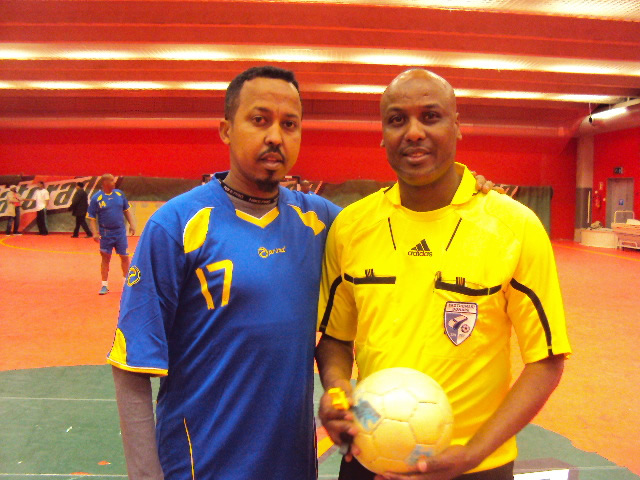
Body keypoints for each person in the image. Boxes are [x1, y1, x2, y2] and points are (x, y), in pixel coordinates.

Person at [107, 66, 496, 480]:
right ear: (226, 130)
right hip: (200, 465)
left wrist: (461, 190)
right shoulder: (177, 225)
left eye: (289, 124)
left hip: (292, 466)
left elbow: (402, 222)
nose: (275, 136)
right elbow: (132, 365)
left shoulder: (324, 222)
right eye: (260, 120)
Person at [315, 69, 571, 480]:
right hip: (369, 455)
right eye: (397, 120)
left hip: (475, 466)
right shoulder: (350, 227)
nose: (414, 132)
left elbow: (547, 360)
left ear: (457, 126)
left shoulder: (514, 227)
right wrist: (336, 386)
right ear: (382, 135)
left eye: (430, 116)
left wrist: (473, 453)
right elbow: (335, 338)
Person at [87, 174, 136, 295]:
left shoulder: (119, 194)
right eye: (111, 181)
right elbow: (91, 217)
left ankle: (126, 284)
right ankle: (104, 285)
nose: (114, 183)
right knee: (105, 258)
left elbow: (126, 211)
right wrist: (94, 232)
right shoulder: (96, 198)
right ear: (105, 183)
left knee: (124, 256)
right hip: (106, 233)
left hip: (120, 232)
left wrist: (132, 224)